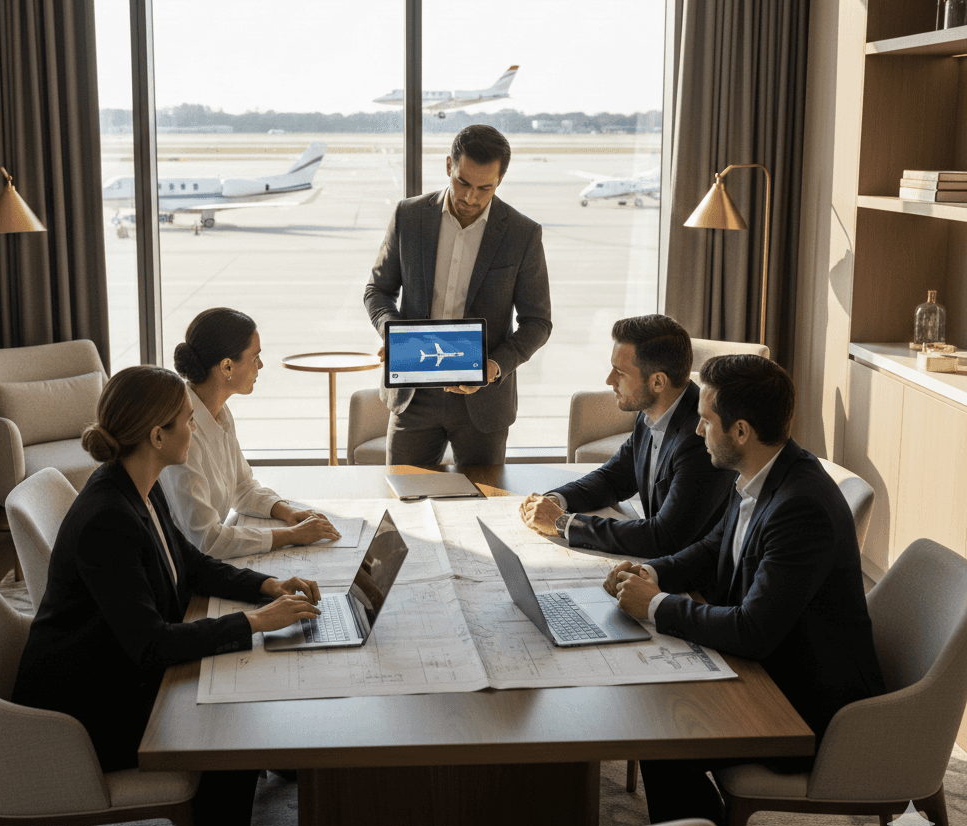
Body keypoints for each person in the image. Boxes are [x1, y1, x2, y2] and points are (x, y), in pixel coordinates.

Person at [12, 365, 323, 826]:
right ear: (157, 436)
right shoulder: (108, 518)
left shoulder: (138, 482)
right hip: (80, 712)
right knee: (228, 716)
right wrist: (256, 623)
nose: (195, 429)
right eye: (185, 420)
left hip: (111, 666)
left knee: (236, 683)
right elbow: (152, 646)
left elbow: (191, 564)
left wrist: (265, 587)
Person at [606, 355, 885, 826]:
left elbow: (753, 632)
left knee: (663, 733)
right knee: (653, 704)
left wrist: (658, 605)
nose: (696, 428)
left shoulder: (800, 507)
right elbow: (714, 551)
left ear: (740, 429)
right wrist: (647, 572)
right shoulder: (763, 472)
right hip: (776, 667)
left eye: (705, 420)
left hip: (805, 706)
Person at [364, 124, 552, 467]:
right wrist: (393, 335)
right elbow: (377, 290)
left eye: (485, 187)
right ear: (449, 165)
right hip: (413, 396)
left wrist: (493, 367)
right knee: (405, 499)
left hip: (484, 401)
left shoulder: (523, 233)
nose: (471, 198)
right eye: (463, 182)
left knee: (483, 504)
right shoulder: (409, 216)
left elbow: (538, 322)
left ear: (501, 179)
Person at [519, 315, 733, 557]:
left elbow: (663, 537)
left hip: (695, 582)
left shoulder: (701, 437)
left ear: (658, 382)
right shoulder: (650, 414)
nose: (609, 380)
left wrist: (563, 524)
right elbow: (613, 479)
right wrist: (556, 501)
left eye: (620, 372)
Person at [163, 307, 339, 559]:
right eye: (255, 357)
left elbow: (242, 487)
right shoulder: (183, 432)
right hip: (186, 571)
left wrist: (286, 512)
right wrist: (291, 536)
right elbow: (206, 540)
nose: (261, 364)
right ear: (226, 367)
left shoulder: (220, 412)